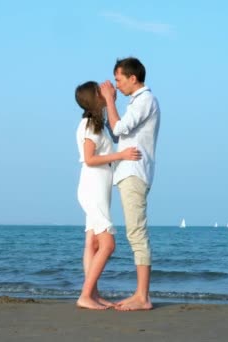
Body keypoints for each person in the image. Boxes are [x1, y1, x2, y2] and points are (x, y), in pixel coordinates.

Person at [74, 81, 142, 310]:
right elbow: (89, 159)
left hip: (98, 190)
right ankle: (85, 295)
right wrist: (121, 155)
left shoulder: (97, 124)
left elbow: (119, 128)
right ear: (94, 98)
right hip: (92, 189)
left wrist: (111, 98)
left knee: (92, 243)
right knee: (108, 244)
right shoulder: (88, 125)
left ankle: (92, 294)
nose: (105, 89)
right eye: (99, 90)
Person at [100, 57, 160, 311]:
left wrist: (110, 101)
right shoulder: (137, 102)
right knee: (134, 232)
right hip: (129, 173)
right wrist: (108, 104)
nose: (117, 85)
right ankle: (141, 294)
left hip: (135, 173)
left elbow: (120, 127)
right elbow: (116, 132)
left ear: (132, 78)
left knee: (136, 233)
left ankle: (142, 296)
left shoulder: (145, 100)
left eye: (119, 79)